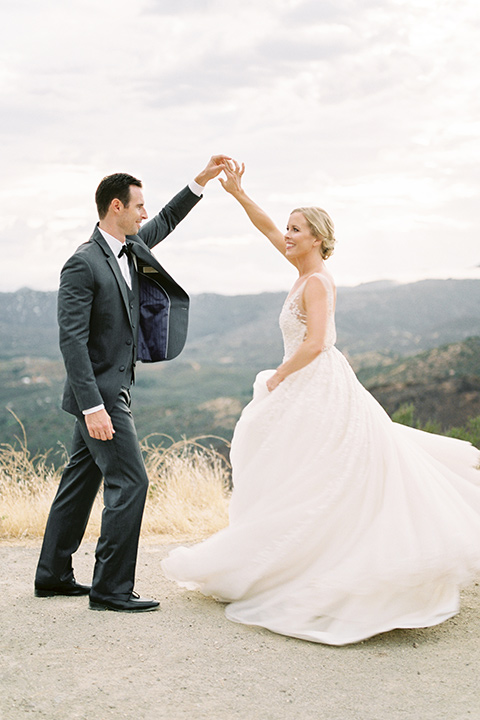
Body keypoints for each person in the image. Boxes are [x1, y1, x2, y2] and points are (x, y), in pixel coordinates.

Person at [162, 160, 480, 645]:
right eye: (288, 228)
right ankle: (286, 557)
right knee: (298, 469)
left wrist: (277, 379)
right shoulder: (299, 268)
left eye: (296, 229)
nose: (287, 234)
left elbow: (318, 342)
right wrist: (239, 194)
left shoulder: (317, 282)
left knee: (328, 473)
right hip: (305, 382)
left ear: (316, 238)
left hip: (316, 383)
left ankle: (325, 562)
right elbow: (266, 227)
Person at [35, 155, 230, 612]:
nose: (145, 214)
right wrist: (92, 407)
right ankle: (111, 589)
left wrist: (200, 182)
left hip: (113, 390)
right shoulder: (83, 263)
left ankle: (52, 575)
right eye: (139, 206)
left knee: (80, 483)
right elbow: (72, 343)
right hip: (100, 396)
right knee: (131, 481)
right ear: (116, 206)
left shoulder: (130, 245)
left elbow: (166, 220)